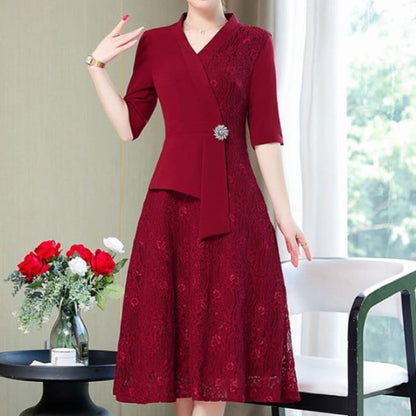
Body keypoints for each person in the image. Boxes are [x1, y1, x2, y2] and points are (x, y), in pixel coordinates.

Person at [86, 1, 312, 415]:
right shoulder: (155, 44)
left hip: (232, 206)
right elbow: (128, 126)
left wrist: (285, 215)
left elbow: (265, 136)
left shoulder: (255, 42)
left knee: (215, 350)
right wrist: (97, 67)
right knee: (182, 350)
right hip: (170, 209)